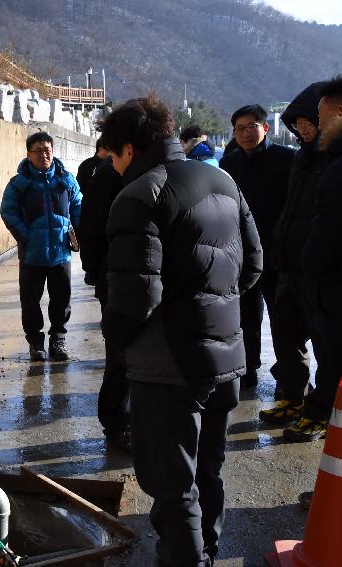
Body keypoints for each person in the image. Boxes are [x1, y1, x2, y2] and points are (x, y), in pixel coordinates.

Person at [99, 96, 262, 566]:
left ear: (128, 148)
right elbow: (253, 265)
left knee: (172, 485)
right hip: (226, 357)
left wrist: (120, 344)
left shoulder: (138, 194)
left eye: (111, 156)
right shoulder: (223, 180)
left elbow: (134, 301)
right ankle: (206, 549)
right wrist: (216, 302)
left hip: (169, 366)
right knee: (209, 469)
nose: (111, 165)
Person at [259, 82, 328, 439]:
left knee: (324, 343)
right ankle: (294, 397)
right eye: (296, 122)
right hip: (288, 263)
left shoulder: (332, 156)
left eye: (307, 120)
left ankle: (320, 410)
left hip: (318, 269)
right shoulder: (302, 157)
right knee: (286, 336)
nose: (300, 127)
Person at [220, 104, 295, 387]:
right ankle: (247, 368)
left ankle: (288, 375)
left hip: (278, 255)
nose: (246, 134)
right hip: (241, 254)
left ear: (265, 127)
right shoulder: (229, 164)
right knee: (245, 317)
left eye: (251, 127)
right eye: (240, 129)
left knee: (284, 320)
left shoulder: (287, 159)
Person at [0, 131, 82, 363]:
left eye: (47, 150)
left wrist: (79, 232)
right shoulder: (19, 184)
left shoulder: (66, 179)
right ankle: (35, 343)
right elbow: (8, 211)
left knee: (61, 298)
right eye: (38, 151)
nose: (44, 155)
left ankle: (58, 338)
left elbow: (78, 205)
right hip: (32, 254)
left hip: (61, 252)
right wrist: (26, 237)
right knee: (30, 300)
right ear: (28, 154)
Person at [296, 76, 342, 442]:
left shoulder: (337, 168)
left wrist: (306, 266)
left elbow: (326, 230)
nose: (316, 122)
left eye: (321, 116)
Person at [78, 153, 131, 452]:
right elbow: (91, 226)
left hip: (153, 280)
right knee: (120, 354)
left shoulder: (159, 172)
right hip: (115, 278)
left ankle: (139, 420)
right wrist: (94, 272)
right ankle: (116, 422)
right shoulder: (106, 175)